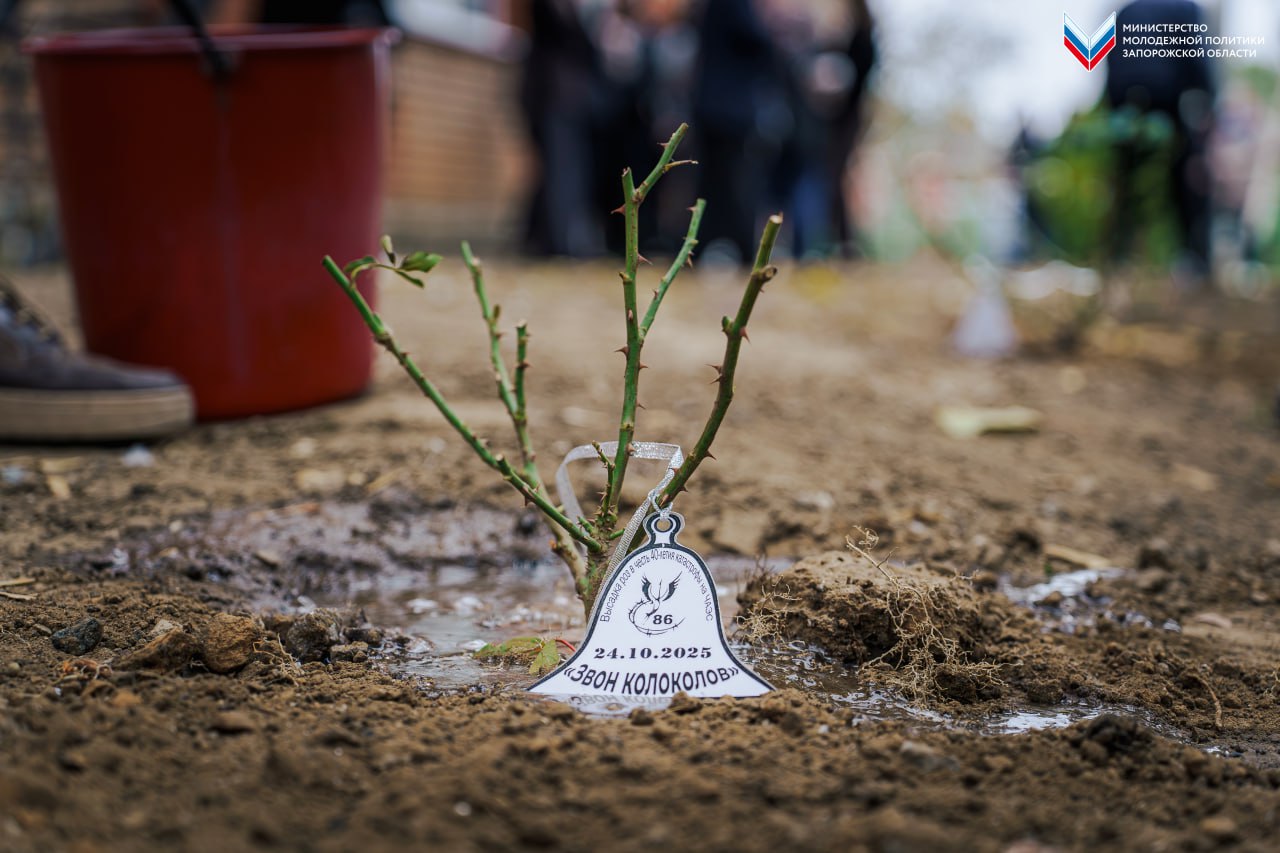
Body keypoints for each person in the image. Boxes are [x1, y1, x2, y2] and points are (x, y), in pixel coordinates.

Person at [1104, 0, 1215, 285]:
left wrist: (1113, 110)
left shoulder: (1125, 12)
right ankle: (1195, 260)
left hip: (1124, 107)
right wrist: (1209, 101)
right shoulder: (1185, 8)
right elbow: (1197, 59)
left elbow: (1109, 61)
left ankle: (1117, 258)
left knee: (1125, 184)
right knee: (1184, 179)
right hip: (1166, 102)